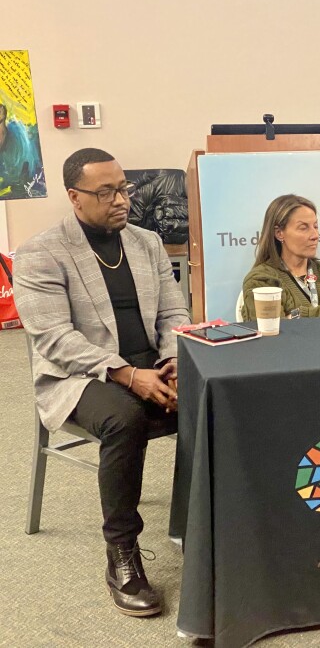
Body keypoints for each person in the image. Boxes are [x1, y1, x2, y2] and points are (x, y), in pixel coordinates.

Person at [14, 148, 189, 617]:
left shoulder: (147, 243)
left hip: (151, 365)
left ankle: (200, 527)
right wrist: (127, 374)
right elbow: (54, 340)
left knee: (216, 395)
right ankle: (122, 554)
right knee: (125, 418)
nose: (120, 200)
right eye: (105, 192)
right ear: (75, 197)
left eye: (123, 189)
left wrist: (172, 358)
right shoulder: (41, 253)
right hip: (79, 377)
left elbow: (174, 313)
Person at [241, 194, 320, 319]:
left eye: (315, 226)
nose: (315, 235)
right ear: (279, 233)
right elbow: (274, 331)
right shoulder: (261, 281)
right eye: (303, 228)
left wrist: (300, 315)